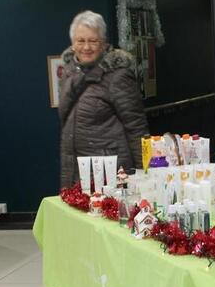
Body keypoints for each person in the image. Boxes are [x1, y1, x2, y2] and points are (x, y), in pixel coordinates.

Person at [58, 10, 149, 189]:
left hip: (110, 174)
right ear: (72, 44)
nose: (86, 47)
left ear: (103, 43)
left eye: (93, 41)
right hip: (75, 169)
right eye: (81, 41)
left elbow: (137, 129)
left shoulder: (118, 76)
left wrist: (144, 175)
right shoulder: (68, 73)